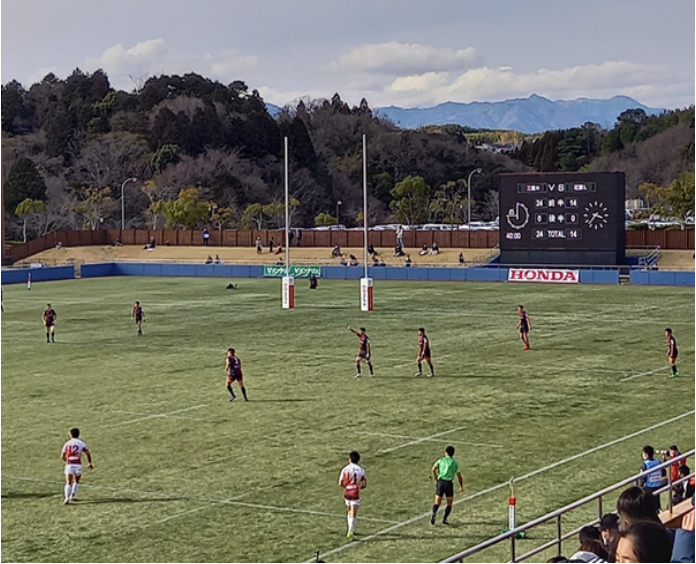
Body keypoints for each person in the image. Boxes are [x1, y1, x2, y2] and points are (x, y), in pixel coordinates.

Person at [430, 446, 464, 525]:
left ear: (446, 452)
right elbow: (459, 476)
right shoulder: (454, 463)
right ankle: (444, 519)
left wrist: (436, 479)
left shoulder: (441, 460)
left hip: (440, 483)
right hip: (448, 484)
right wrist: (461, 486)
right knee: (449, 503)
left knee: (437, 502)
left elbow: (433, 469)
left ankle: (434, 513)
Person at [338, 451, 366, 541]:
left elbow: (340, 483)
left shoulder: (345, 469)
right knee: (353, 512)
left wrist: (345, 487)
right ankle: (350, 531)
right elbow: (364, 483)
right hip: (355, 491)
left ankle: (350, 529)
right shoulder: (361, 470)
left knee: (349, 510)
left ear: (350, 459)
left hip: (347, 491)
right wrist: (360, 487)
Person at [61, 428, 93, 505]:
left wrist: (67, 461)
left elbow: (62, 455)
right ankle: (73, 495)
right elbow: (87, 453)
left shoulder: (67, 443)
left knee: (68, 482)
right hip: (78, 464)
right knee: (77, 480)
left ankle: (66, 498)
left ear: (70, 434)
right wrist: (89, 462)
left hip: (69, 464)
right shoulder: (81, 443)